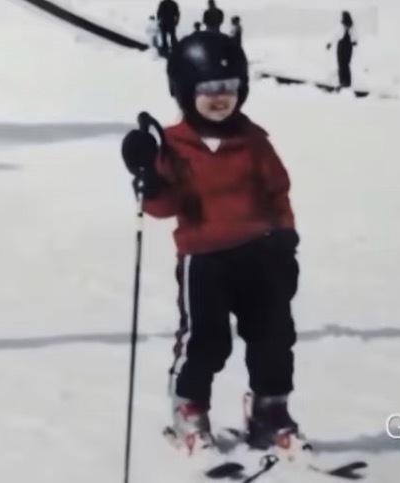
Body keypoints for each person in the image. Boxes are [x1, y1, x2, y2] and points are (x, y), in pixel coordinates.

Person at [121, 32, 303, 455]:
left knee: (274, 335)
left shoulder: (255, 142)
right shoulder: (174, 146)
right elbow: (164, 206)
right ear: (185, 91)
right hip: (204, 260)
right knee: (206, 340)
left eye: (229, 87)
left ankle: (269, 410)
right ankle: (189, 410)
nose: (220, 98)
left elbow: (277, 192)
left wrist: (285, 238)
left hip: (260, 255)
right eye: (208, 89)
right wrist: (148, 176)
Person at [326, 11, 358, 88]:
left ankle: (344, 82)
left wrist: (330, 43)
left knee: (343, 64)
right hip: (346, 46)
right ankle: (345, 82)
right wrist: (354, 41)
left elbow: (336, 35)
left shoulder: (346, 26)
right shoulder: (348, 26)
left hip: (343, 46)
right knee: (344, 64)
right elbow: (354, 36)